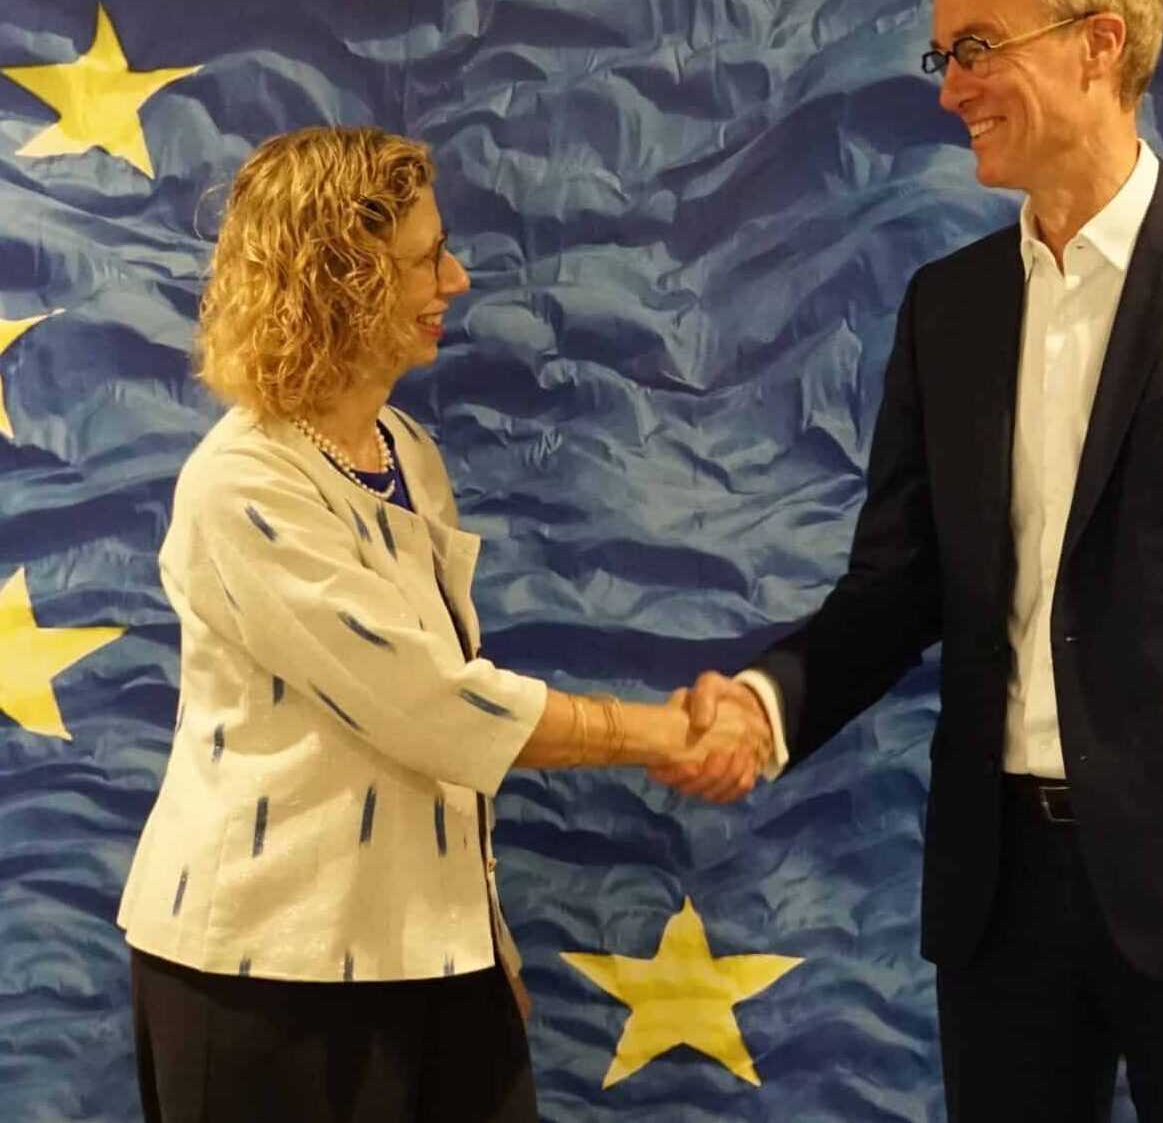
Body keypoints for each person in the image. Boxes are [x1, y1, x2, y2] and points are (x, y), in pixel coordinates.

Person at [659, 0, 1163, 1121]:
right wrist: (767, 700)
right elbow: (896, 589)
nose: (951, 90)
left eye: (976, 50)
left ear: (1098, 44)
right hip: (999, 901)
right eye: (942, 58)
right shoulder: (945, 309)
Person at [118, 126, 771, 1123]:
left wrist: (481, 946)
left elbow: (435, 750)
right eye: (426, 258)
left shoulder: (405, 450)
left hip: (427, 960)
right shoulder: (240, 483)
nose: (456, 280)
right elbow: (432, 709)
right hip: (263, 983)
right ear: (336, 281)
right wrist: (662, 734)